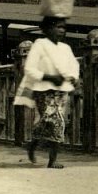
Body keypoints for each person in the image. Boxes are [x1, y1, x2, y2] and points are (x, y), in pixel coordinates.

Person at [22, 16, 80, 169]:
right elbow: (29, 69)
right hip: (44, 90)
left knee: (55, 122)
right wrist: (49, 77)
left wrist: (74, 77)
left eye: (63, 27)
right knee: (53, 120)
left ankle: (41, 151)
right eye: (57, 27)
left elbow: (73, 65)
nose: (61, 30)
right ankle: (38, 148)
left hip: (62, 91)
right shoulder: (39, 45)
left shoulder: (66, 48)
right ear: (46, 29)